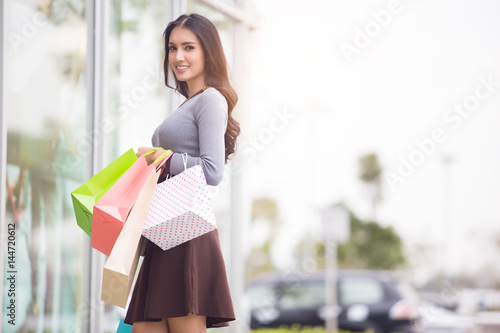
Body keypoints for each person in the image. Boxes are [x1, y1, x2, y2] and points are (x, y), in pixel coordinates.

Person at [124, 13, 240, 333]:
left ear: (208, 52)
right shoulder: (189, 103)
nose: (178, 57)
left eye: (189, 47)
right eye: (173, 48)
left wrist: (159, 157)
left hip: (186, 231)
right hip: (165, 228)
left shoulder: (211, 100)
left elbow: (213, 171)